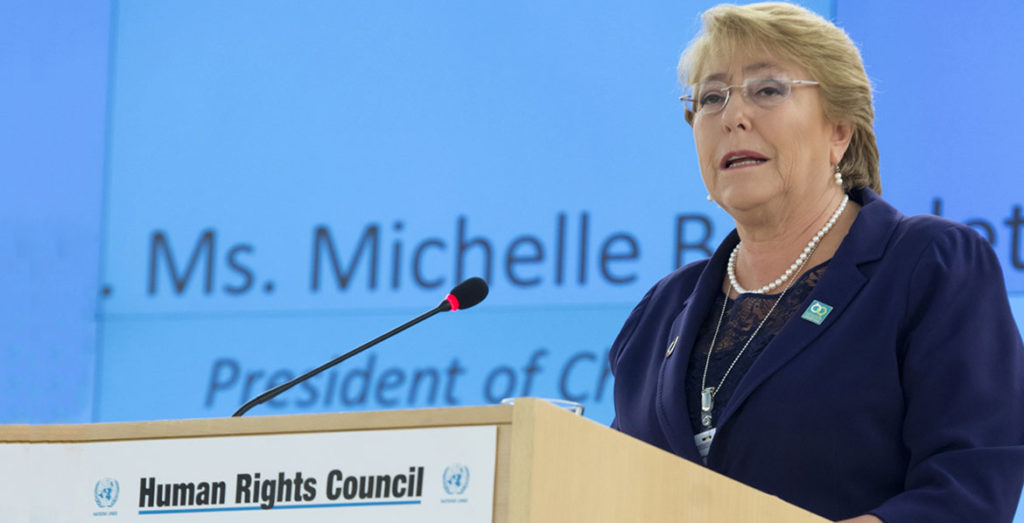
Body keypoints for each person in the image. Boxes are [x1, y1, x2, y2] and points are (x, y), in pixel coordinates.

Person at [607, 3, 1024, 522]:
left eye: (767, 90)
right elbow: (609, 488)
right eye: (711, 98)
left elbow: (971, 486)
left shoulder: (928, 265)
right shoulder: (661, 311)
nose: (733, 116)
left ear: (839, 130)